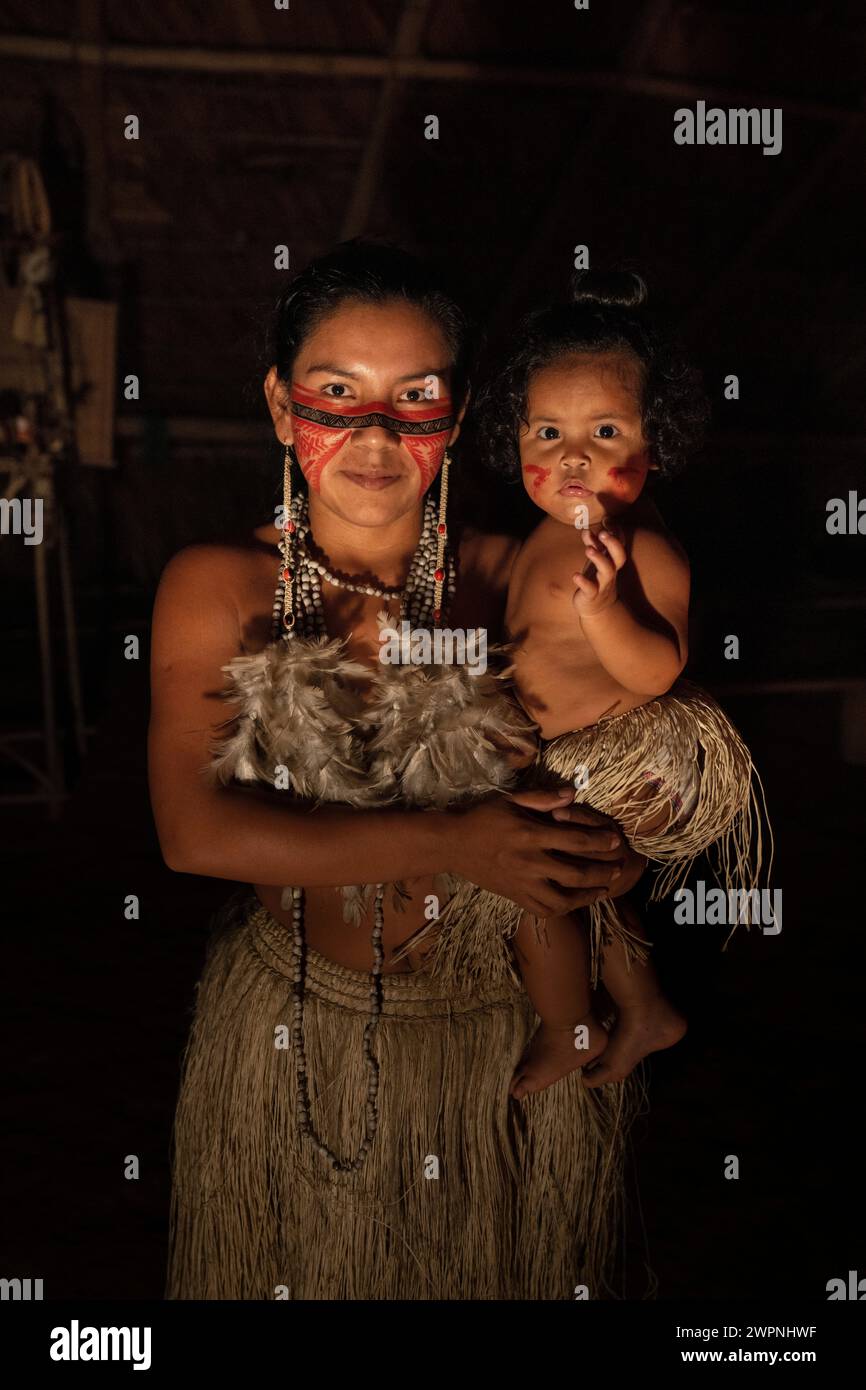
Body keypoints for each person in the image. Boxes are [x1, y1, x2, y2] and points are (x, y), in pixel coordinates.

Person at [149, 240, 647, 1301]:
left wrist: (613, 845)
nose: (374, 434)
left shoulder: (522, 582)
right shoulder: (218, 585)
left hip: (502, 1048)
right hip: (294, 1038)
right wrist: (454, 837)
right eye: (337, 394)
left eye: (412, 397)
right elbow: (194, 832)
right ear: (284, 408)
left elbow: (629, 773)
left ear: (457, 416)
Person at [450, 271, 772, 1101]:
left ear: (653, 444)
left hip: (601, 762)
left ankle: (570, 1028)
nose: (572, 456)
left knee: (540, 895)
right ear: (514, 440)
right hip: (554, 751)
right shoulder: (550, 530)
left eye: (604, 430)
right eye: (548, 432)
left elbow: (659, 667)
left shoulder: (644, 552)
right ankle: (647, 1008)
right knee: (590, 898)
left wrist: (605, 619)